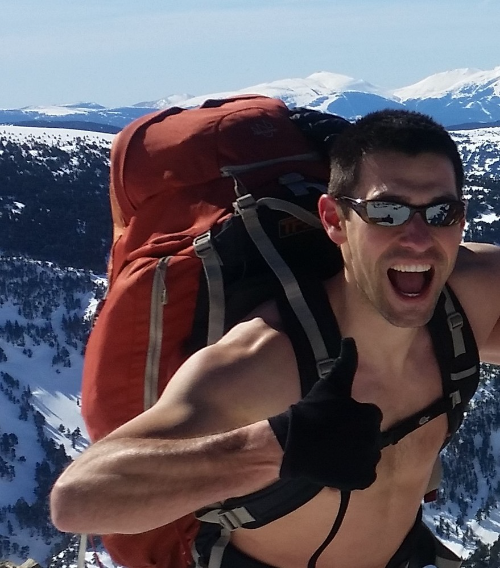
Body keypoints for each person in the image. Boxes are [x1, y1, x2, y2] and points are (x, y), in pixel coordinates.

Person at [50, 109, 500, 568]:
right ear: (334, 220)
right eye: (387, 212)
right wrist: (274, 447)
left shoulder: (469, 301)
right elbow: (77, 500)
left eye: (441, 212)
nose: (419, 239)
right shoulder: (263, 363)